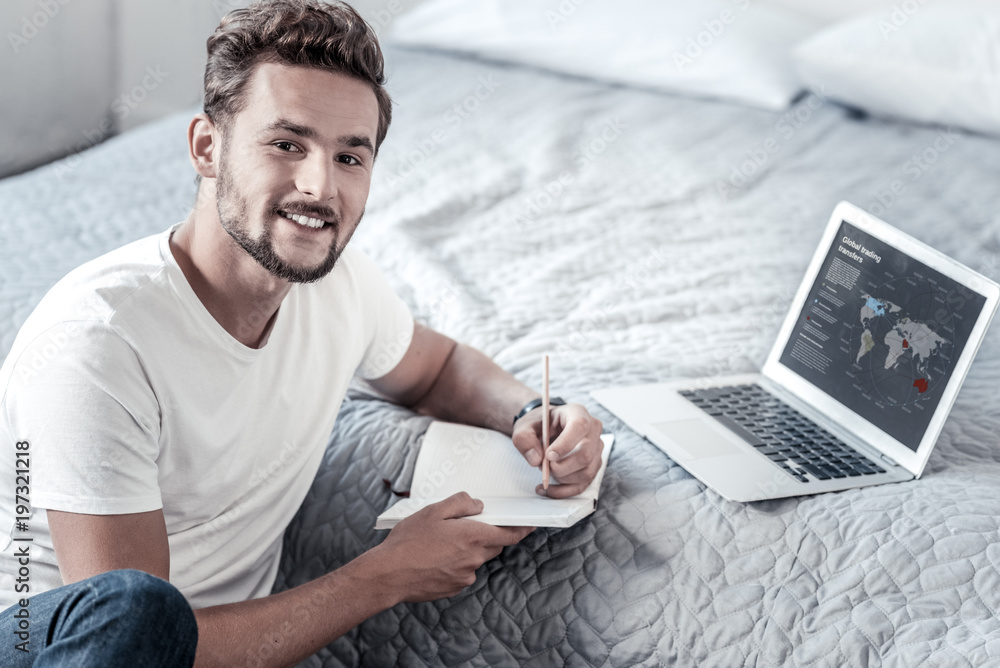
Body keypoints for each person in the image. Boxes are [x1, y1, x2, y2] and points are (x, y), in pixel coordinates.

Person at [0, 1, 605, 665]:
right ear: (207, 146)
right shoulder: (99, 343)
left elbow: (439, 368)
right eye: (287, 145)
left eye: (350, 156)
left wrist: (531, 412)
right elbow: (142, 644)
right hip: (39, 644)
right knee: (142, 606)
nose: (319, 187)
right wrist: (384, 576)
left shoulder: (341, 289)